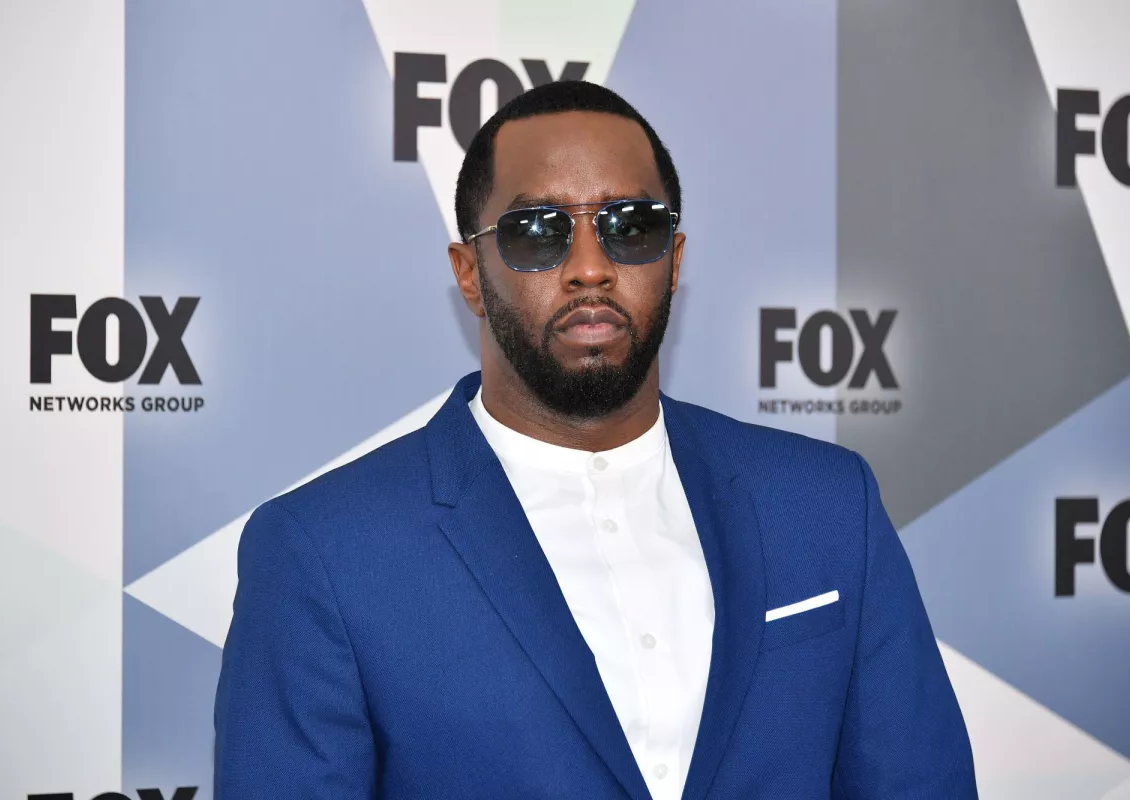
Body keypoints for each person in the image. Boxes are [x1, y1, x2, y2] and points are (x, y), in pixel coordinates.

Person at [214, 80, 977, 799]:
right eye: (537, 230)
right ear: (470, 273)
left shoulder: (826, 507)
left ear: (674, 260)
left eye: (630, 226)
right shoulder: (324, 553)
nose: (589, 267)